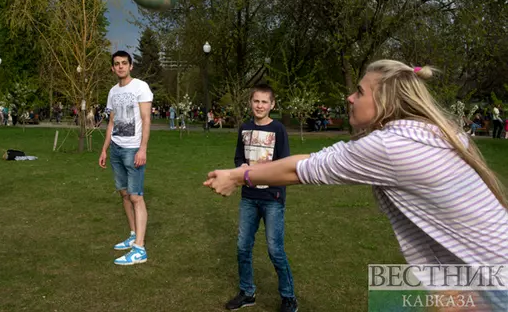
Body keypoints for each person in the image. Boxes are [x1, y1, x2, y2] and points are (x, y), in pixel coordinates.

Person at [205, 61, 508, 310]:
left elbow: (305, 169)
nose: (350, 97)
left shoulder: (392, 146)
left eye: (359, 92)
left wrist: (237, 176)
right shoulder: (433, 132)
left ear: (385, 102)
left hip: (491, 284)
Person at [225, 84, 298, 312]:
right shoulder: (244, 128)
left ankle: (289, 297)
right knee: (242, 246)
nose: (260, 105)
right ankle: (247, 292)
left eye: (264, 102)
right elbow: (238, 157)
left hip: (272, 196)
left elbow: (284, 163)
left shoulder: (278, 130)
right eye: (256, 101)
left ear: (272, 105)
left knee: (275, 249)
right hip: (249, 197)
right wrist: (242, 168)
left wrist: (275, 187)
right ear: (251, 103)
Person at [99, 51, 153, 266]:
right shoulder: (113, 91)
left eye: (124, 63)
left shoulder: (141, 87)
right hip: (117, 149)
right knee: (124, 194)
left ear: (130, 66)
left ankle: (140, 249)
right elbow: (111, 123)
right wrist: (104, 149)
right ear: (113, 69)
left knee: (136, 197)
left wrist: (143, 149)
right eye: (116, 64)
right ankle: (133, 234)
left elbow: (146, 119)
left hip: (133, 150)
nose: (120, 67)